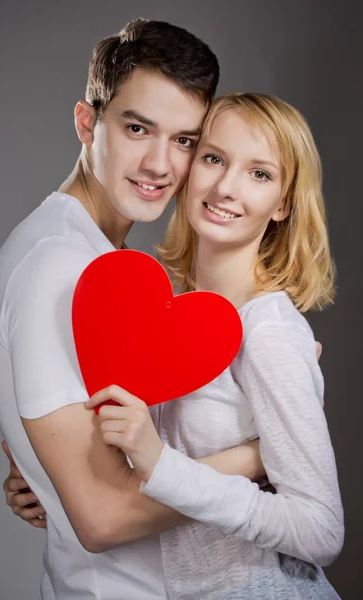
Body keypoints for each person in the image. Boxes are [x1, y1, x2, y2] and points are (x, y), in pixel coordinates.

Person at [0, 19, 268, 600]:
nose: (161, 164)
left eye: (185, 140)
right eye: (139, 128)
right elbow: (103, 517)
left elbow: (100, 459)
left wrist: (39, 477)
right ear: (88, 123)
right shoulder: (58, 265)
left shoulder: (100, 256)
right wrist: (266, 456)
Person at [85, 93, 345, 599]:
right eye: (214, 158)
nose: (226, 188)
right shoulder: (173, 317)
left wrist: (162, 464)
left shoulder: (268, 332)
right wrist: (46, 483)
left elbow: (321, 531)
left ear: (284, 205)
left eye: (260, 174)